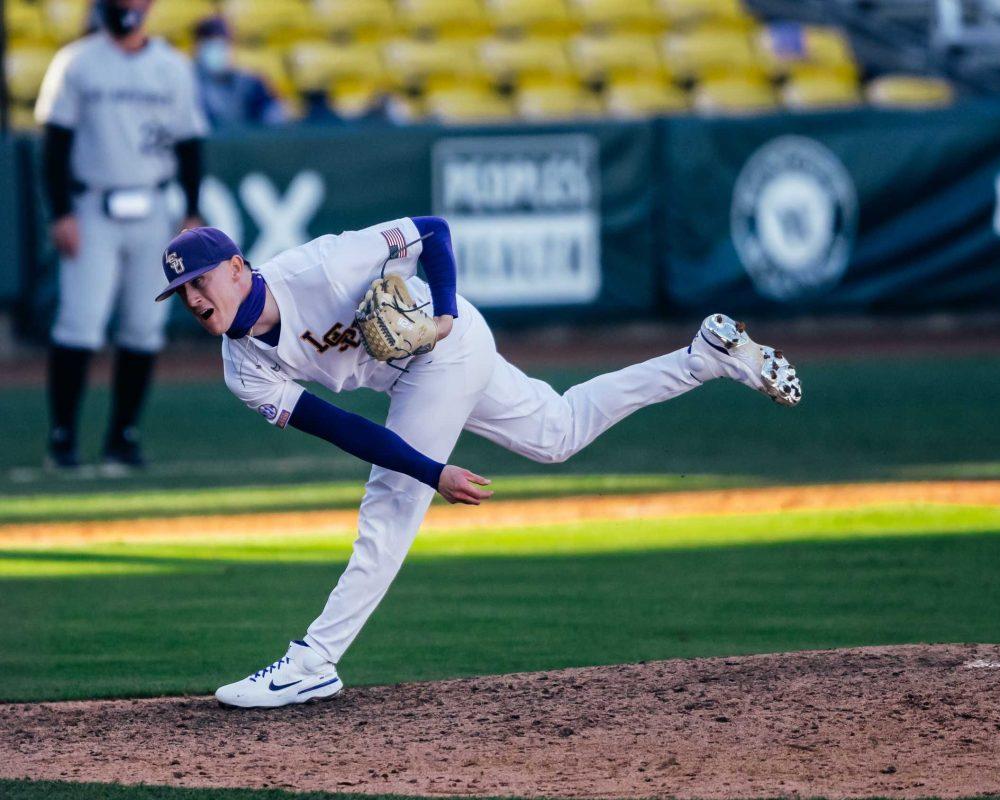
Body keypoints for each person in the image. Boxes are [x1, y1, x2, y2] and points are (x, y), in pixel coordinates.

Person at [156, 219, 802, 708]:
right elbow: (340, 427)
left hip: (449, 345)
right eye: (181, 293)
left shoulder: (320, 267)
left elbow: (432, 230)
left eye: (199, 282)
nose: (192, 300)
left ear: (239, 267)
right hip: (415, 375)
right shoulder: (243, 368)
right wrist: (430, 468)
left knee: (390, 504)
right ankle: (705, 356)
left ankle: (314, 662)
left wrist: (439, 317)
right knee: (558, 431)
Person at [35, 0, 208, 471]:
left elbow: (190, 143)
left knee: (143, 324)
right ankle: (63, 436)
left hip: (152, 205)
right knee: (79, 321)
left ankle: (123, 437)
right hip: (92, 204)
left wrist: (191, 209)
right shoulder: (78, 60)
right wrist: (61, 212)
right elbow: (54, 143)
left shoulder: (171, 66)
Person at [192, 15, 287, 129]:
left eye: (222, 43)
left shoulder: (251, 82)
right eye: (209, 42)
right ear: (197, 47)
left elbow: (275, 115)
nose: (217, 49)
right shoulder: (188, 83)